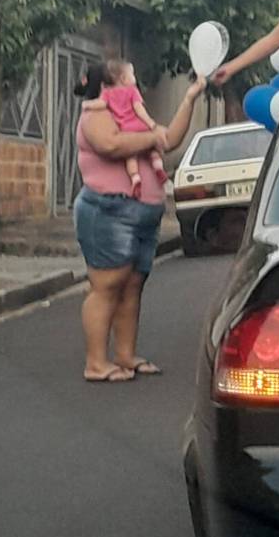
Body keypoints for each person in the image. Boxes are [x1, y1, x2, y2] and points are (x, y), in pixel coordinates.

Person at [74, 64, 206, 382]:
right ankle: (96, 363)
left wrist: (189, 99)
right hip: (109, 210)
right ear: (112, 83)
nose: (135, 81)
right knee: (107, 286)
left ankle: (125, 355)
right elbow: (111, 145)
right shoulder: (96, 112)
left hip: (144, 212)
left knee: (133, 284)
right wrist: (152, 136)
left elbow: (169, 139)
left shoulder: (134, 116)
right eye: (129, 75)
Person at [82, 59, 167, 200]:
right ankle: (158, 167)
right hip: (140, 126)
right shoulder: (133, 91)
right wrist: (152, 124)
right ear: (123, 78)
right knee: (152, 149)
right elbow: (139, 110)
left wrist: (87, 105)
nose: (135, 78)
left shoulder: (107, 93)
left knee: (130, 157)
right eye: (132, 74)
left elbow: (101, 104)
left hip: (126, 129)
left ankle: (135, 178)